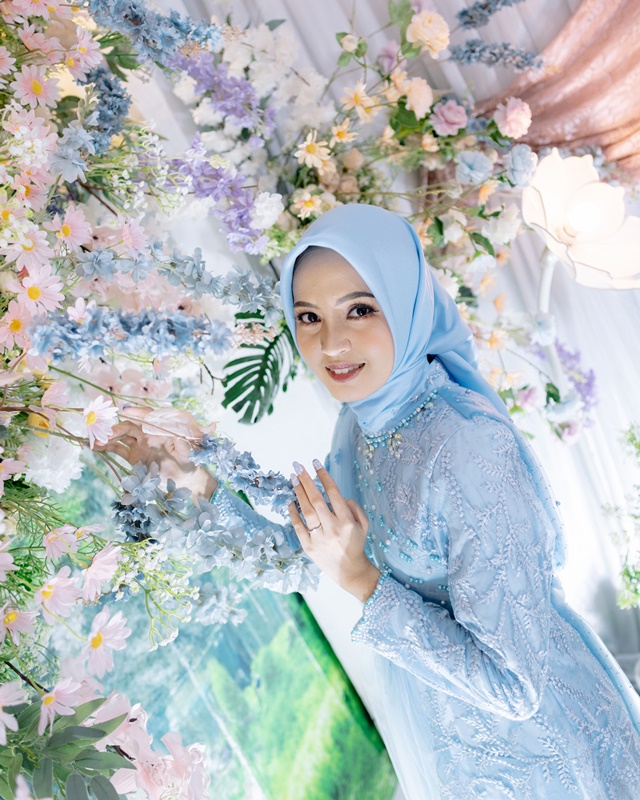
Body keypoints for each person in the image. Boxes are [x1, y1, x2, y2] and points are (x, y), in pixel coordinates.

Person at [107, 204, 640, 799]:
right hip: (448, 741)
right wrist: (198, 481)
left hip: (547, 759)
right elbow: (312, 548)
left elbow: (515, 688)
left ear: (405, 301)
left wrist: (361, 580)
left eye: (359, 309)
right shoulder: (363, 423)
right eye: (308, 317)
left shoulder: (467, 449)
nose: (331, 343)